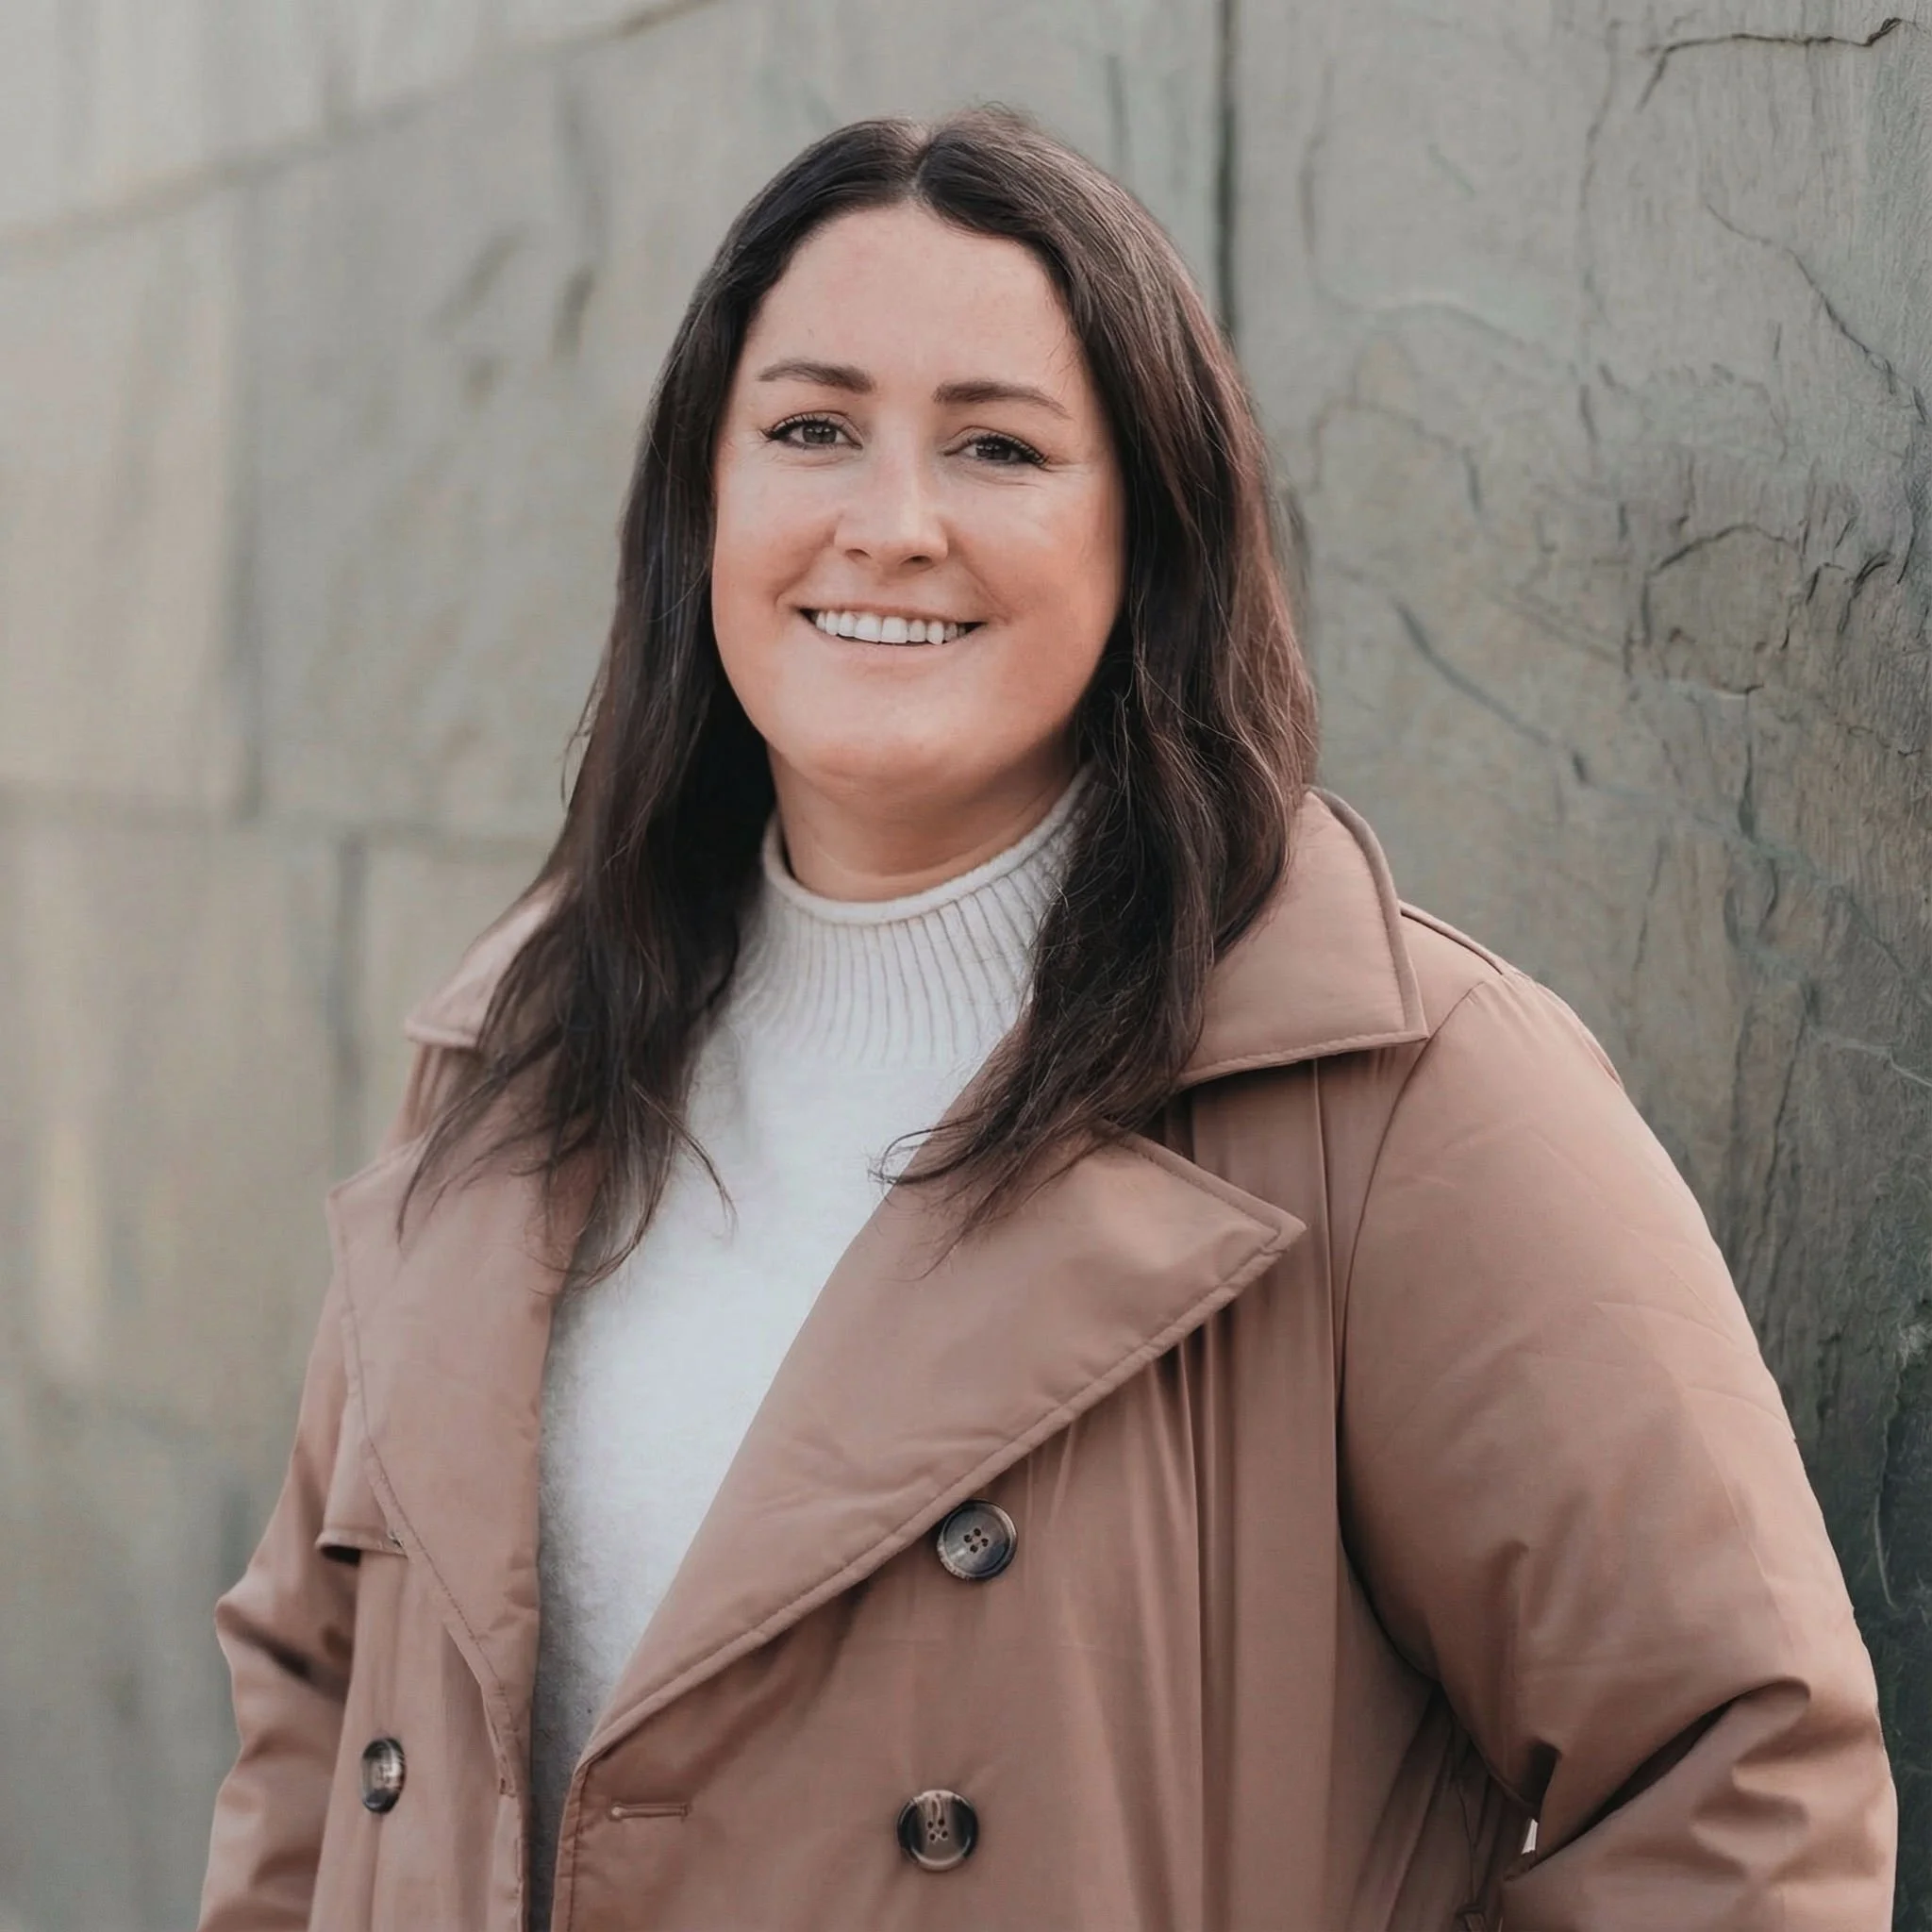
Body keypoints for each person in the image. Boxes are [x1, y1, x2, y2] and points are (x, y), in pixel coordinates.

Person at [197, 108, 1894, 1931]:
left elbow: (1741, 1781)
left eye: (998, 447)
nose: (891, 523)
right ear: (705, 501)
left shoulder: (1398, 1091)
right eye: (811, 430)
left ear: (1147, 536)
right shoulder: (516, 1055)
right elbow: (318, 1695)